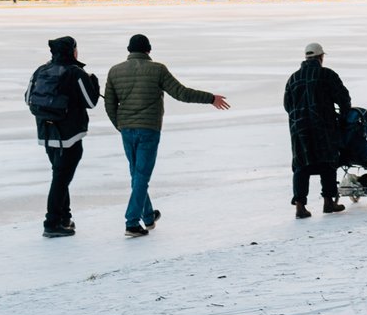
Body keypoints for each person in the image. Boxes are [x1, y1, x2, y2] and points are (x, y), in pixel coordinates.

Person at [104, 34, 230, 237]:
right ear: (148, 50)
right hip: (148, 129)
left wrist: (120, 125)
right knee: (141, 176)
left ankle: (148, 217)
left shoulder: (115, 71)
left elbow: (109, 103)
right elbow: (181, 93)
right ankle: (132, 222)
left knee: (137, 174)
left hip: (127, 129)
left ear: (129, 50)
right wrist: (210, 98)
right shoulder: (157, 69)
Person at [25, 36, 100, 238]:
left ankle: (64, 218)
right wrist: (94, 82)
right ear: (72, 51)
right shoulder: (75, 73)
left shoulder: (41, 71)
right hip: (70, 134)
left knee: (59, 175)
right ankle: (51, 222)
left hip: (46, 132)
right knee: (60, 178)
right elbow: (91, 102)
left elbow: (27, 99)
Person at [283, 41, 351, 218]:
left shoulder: (293, 79)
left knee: (301, 166)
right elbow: (343, 98)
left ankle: (300, 206)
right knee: (327, 162)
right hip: (323, 125)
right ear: (321, 57)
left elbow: (287, 105)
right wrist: (344, 119)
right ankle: (329, 203)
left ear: (306, 57)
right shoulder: (327, 75)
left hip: (299, 128)